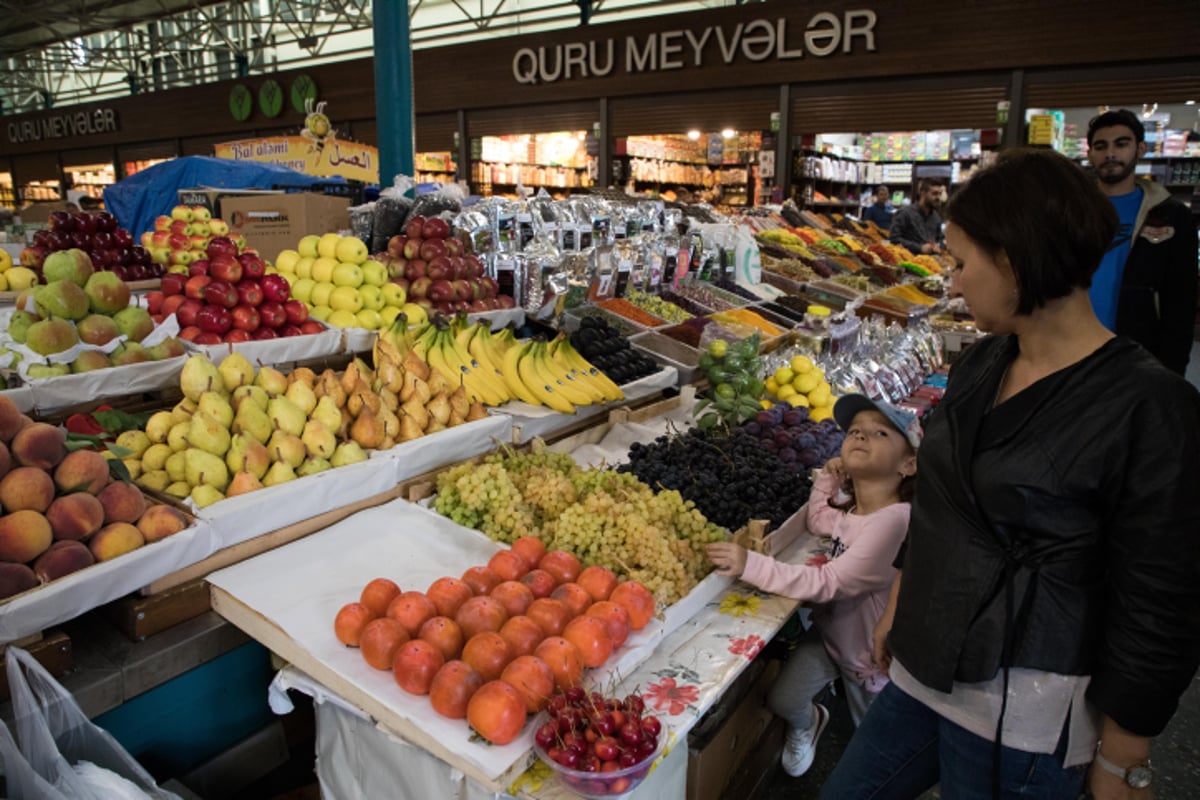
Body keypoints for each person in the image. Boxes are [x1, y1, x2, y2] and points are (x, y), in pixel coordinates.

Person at [821, 148, 1200, 800]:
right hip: (925, 660)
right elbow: (941, 493)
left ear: (1016, 260)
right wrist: (904, 603)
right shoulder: (983, 363)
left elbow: (1160, 599)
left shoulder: (1150, 407)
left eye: (963, 263)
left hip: (1025, 704)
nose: (955, 282)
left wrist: (1123, 756)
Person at [706, 396, 918, 778]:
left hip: (869, 660)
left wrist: (749, 563)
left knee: (872, 748)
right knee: (783, 699)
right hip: (832, 637)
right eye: (854, 431)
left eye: (880, 433)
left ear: (909, 464)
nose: (861, 436)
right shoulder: (857, 511)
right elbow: (820, 519)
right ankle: (810, 722)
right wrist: (828, 478)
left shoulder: (894, 522)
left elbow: (828, 582)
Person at [1086, 108, 1198, 374]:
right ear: (1090, 153)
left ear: (1141, 149)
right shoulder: (1073, 210)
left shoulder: (1170, 215)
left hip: (1139, 348)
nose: (1110, 154)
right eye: (1101, 146)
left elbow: (1182, 298)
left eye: (1121, 144)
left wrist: (1173, 368)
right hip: (1075, 345)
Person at [888, 178, 944, 254]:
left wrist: (938, 245)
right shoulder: (905, 213)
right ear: (923, 193)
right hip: (908, 262)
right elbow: (894, 238)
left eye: (939, 194)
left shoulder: (936, 217)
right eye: (934, 193)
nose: (938, 198)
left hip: (931, 262)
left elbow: (940, 238)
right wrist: (919, 248)